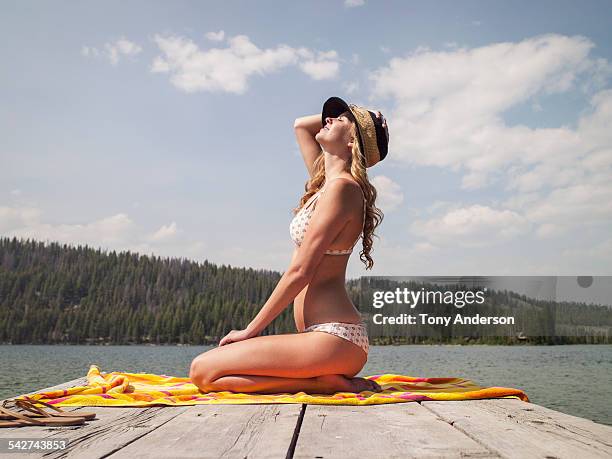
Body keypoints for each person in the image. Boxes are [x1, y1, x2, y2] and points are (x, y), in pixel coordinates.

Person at [189, 96, 390, 395]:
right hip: (321, 338)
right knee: (206, 376)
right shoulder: (325, 183)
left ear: (353, 142)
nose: (329, 119)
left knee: (202, 372)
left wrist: (250, 330)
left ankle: (324, 382)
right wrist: (356, 119)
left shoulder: (343, 189)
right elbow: (301, 126)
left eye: (342, 119)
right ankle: (322, 382)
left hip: (336, 336)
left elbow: (300, 271)